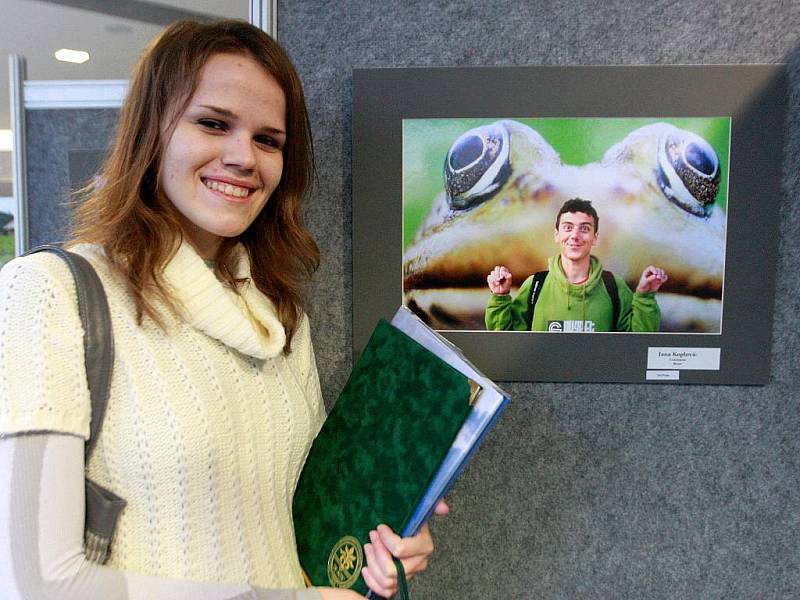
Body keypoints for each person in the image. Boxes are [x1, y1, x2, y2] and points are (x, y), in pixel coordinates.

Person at [0, 20, 442, 600]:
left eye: (269, 140)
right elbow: (33, 582)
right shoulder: (50, 292)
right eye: (212, 124)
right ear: (150, 133)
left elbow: (296, 533)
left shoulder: (279, 317)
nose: (243, 158)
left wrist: (380, 545)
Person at [485, 198, 667, 332]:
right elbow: (504, 341)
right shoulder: (535, 285)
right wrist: (500, 297)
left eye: (585, 229)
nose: (575, 236)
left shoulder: (613, 286)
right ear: (557, 235)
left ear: (595, 237)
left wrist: (645, 296)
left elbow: (639, 341)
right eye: (568, 227)